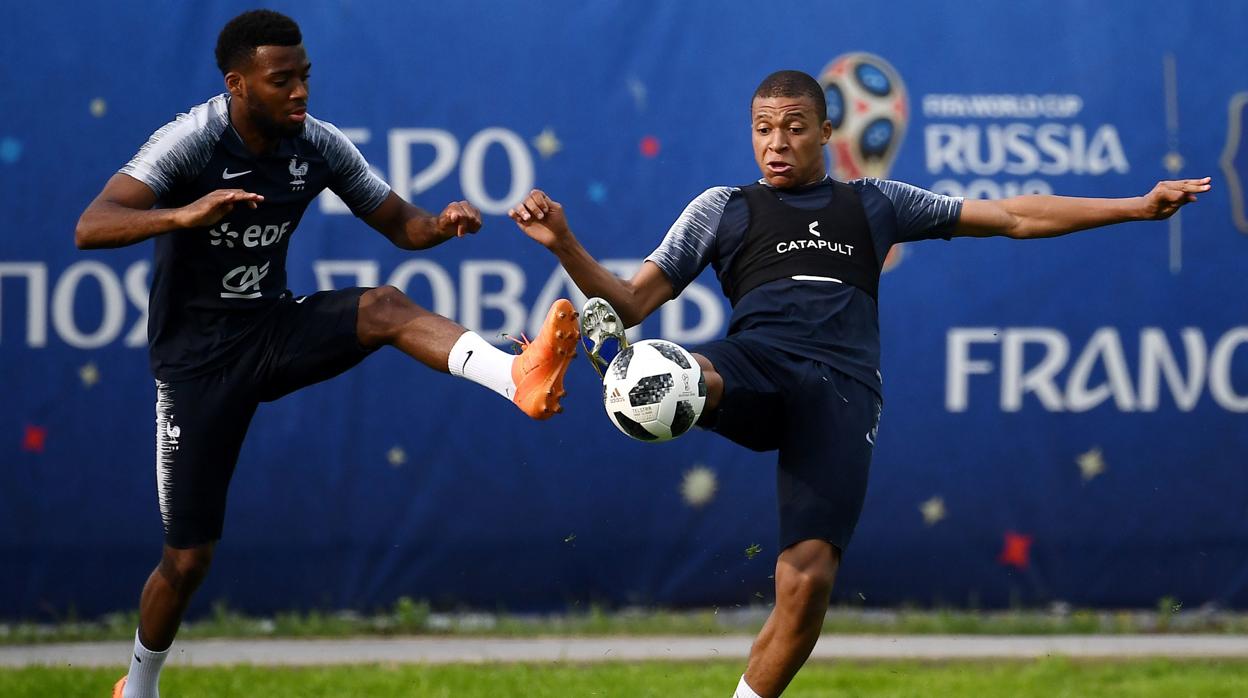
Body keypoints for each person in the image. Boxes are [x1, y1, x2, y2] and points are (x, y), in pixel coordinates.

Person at [508, 69, 1210, 697]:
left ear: (826, 133)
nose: (775, 143)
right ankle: (648, 382)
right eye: (762, 129)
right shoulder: (722, 208)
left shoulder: (874, 202)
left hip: (841, 392)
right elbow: (632, 302)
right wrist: (567, 245)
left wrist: (1135, 205)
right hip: (753, 365)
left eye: (792, 128)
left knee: (806, 582)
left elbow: (1014, 215)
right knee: (678, 367)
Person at [76, 10, 580, 698]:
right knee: (188, 561)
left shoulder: (317, 144)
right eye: (281, 81)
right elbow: (93, 223)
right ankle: (137, 687)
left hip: (272, 332)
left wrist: (441, 224)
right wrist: (184, 214)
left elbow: (402, 225)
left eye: (305, 77)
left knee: (386, 308)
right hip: (196, 368)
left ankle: (515, 375)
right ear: (237, 84)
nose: (300, 93)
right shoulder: (191, 142)